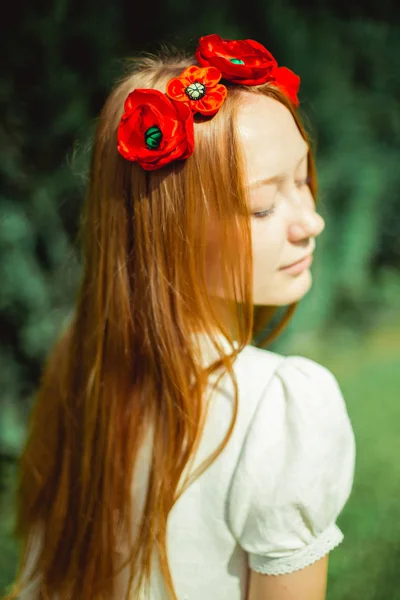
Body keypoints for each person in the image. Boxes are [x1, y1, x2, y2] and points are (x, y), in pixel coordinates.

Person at [5, 33, 356, 600]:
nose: (308, 221)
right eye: (264, 205)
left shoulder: (84, 358)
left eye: (302, 179)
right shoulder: (283, 407)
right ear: (169, 229)